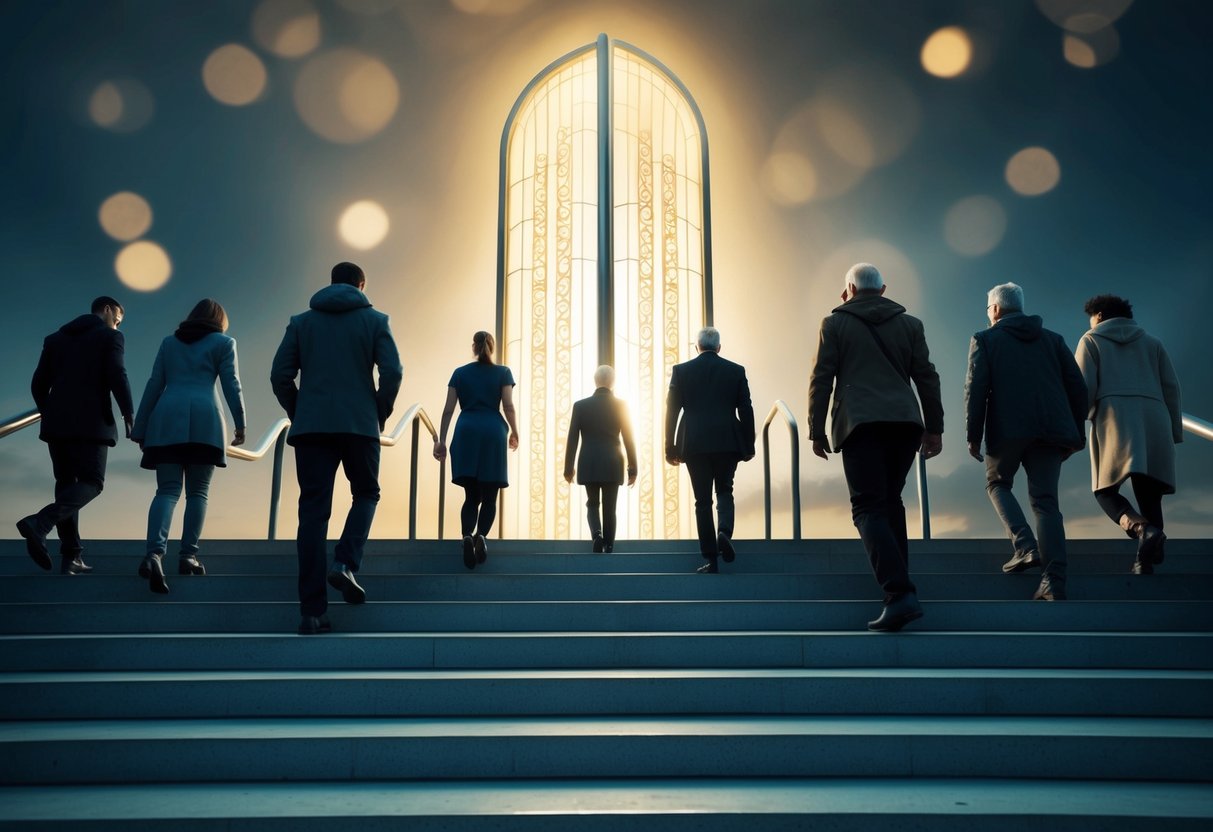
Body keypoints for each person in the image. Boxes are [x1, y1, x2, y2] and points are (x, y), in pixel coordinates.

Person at [808, 263, 943, 632]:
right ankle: (900, 589)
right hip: (905, 423)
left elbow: (822, 379)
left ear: (848, 289)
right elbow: (927, 377)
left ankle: (899, 593)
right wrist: (934, 429)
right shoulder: (910, 324)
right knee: (891, 501)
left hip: (860, 423)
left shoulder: (834, 324)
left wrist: (816, 430)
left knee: (867, 506)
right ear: (883, 289)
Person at [271, 262, 402, 635]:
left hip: (311, 428)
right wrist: (377, 411)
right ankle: (344, 562)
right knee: (366, 493)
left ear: (330, 283)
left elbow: (279, 375)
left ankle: (312, 613)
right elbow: (392, 373)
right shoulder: (376, 320)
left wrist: (300, 410)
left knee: (312, 513)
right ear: (362, 284)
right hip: (358, 425)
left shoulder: (301, 322)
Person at [964, 282, 1086, 601]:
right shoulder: (1053, 340)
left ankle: (1025, 546)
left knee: (997, 484)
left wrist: (973, 436)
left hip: (1007, 431)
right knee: (1046, 503)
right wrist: (1075, 435)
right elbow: (1078, 388)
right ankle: (1053, 581)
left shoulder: (985, 339)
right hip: (1051, 432)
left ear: (995, 309)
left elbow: (975, 389)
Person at [130, 299, 246, 594]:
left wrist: (141, 426)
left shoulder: (169, 343)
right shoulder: (224, 342)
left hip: (166, 418)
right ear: (220, 320)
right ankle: (188, 556)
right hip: (206, 421)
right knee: (198, 492)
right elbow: (232, 383)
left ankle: (154, 553)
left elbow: (154, 383)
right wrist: (241, 423)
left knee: (167, 491)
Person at [16, 296, 133, 575]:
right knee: (93, 482)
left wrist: (50, 411)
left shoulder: (55, 339)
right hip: (92, 424)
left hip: (58, 425)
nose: (117, 324)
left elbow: (38, 382)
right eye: (118, 318)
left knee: (66, 484)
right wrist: (129, 413)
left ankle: (71, 556)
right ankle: (39, 523)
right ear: (107, 310)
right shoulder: (110, 337)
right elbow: (118, 373)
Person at [1075, 294, 1183, 574]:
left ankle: (1141, 529)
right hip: (1154, 420)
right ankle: (1145, 561)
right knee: (1149, 492)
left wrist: (1075, 425)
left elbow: (1083, 389)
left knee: (1104, 490)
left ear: (1098, 316)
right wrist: (1173, 432)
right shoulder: (1152, 343)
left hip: (1115, 421)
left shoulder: (1091, 340)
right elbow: (1171, 388)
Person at [664, 326, 756, 574]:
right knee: (725, 490)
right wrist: (749, 444)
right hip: (727, 441)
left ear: (697, 346)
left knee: (702, 500)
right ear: (719, 347)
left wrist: (669, 446)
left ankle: (711, 559)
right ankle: (724, 532)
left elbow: (671, 410)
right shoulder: (736, 371)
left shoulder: (681, 371)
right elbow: (746, 409)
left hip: (694, 442)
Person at [433, 331, 519, 569]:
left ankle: (466, 536)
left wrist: (441, 440)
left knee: (471, 496)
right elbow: (508, 405)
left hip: (466, 431)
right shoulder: (503, 372)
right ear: (492, 347)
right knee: (490, 496)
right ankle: (482, 535)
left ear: (474, 347)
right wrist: (515, 430)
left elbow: (448, 409)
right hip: (493, 432)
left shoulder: (459, 373)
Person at [564, 365, 638, 553]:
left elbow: (572, 438)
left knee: (592, 502)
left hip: (588, 460)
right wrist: (633, 467)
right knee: (610, 505)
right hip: (613, 460)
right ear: (613, 383)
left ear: (595, 381)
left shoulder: (580, 406)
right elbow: (629, 438)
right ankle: (609, 544)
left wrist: (568, 468)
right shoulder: (622, 405)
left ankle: (596, 534)